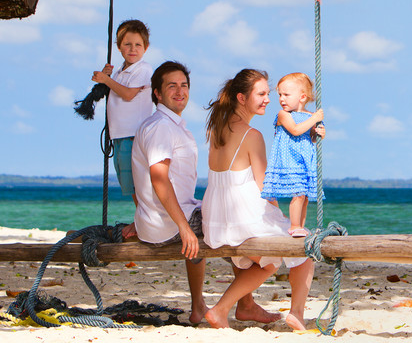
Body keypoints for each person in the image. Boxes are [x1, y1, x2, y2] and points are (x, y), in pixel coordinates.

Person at [131, 62, 281, 326]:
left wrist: (142, 215)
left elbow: (143, 181)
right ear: (157, 93)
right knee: (240, 235)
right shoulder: (161, 128)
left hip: (163, 218)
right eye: (172, 86)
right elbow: (158, 179)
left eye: (184, 85)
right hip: (170, 223)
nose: (180, 91)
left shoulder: (168, 125)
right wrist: (183, 227)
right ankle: (237, 305)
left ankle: (203, 306)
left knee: (216, 216)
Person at [201, 69, 315, 330]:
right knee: (303, 249)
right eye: (261, 94)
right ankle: (294, 312)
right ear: (242, 98)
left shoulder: (218, 127)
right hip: (242, 216)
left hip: (217, 217)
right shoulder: (251, 135)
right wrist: (280, 216)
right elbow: (265, 185)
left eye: (268, 94)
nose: (268, 99)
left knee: (264, 259)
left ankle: (242, 306)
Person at [90, 19, 152, 237]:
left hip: (133, 134)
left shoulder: (143, 70)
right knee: (128, 181)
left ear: (145, 48)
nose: (132, 49)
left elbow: (127, 94)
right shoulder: (122, 71)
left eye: (137, 45)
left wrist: (107, 81)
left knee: (137, 182)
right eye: (127, 44)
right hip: (120, 134)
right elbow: (116, 89)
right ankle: (143, 219)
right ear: (119, 46)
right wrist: (107, 77)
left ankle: (144, 221)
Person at [263, 72, 325, 237]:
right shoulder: (284, 115)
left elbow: (311, 138)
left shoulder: (310, 116)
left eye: (286, 95)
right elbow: (296, 130)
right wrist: (315, 119)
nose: (282, 99)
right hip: (289, 160)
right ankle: (294, 225)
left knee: (304, 196)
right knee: (298, 193)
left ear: (302, 97)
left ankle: (301, 227)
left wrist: (319, 131)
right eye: (280, 95)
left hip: (305, 161)